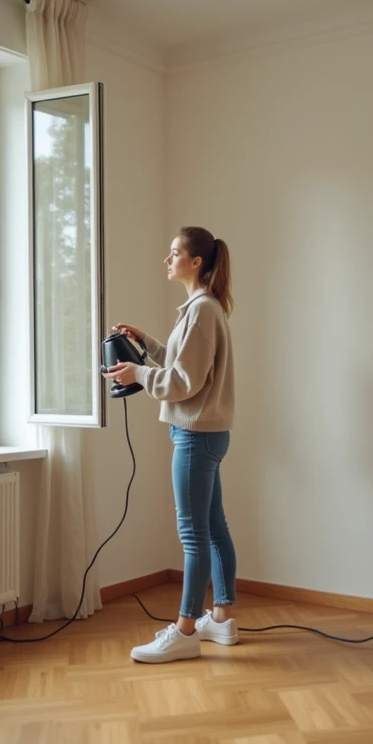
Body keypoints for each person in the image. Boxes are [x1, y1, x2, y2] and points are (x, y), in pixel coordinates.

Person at [103, 226, 237, 664]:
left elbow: (182, 383)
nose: (167, 259)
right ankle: (221, 617)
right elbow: (186, 367)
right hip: (207, 432)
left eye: (174, 252)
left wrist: (136, 374)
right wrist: (148, 346)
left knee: (193, 536)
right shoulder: (202, 309)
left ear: (195, 262)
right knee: (213, 529)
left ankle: (184, 630)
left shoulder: (201, 311)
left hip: (195, 436)